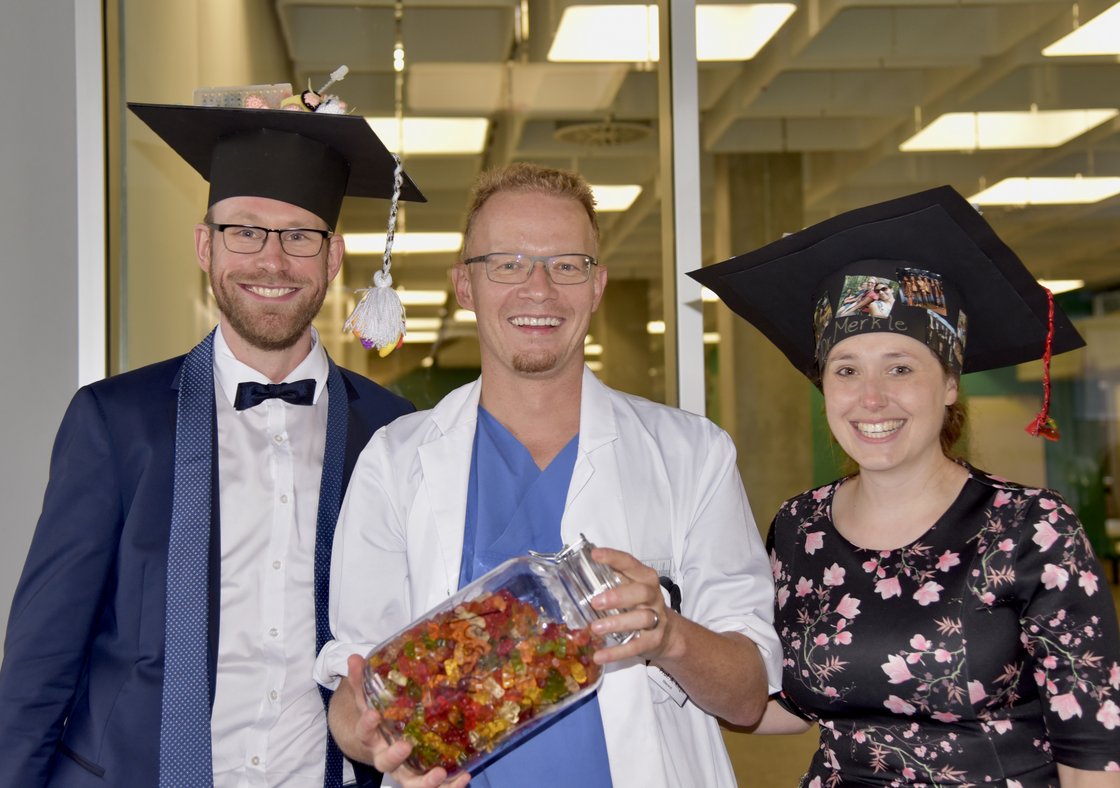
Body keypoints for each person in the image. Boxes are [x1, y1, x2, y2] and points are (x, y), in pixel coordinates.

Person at [0, 87, 424, 787]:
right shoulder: (115, 422)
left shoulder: (393, 431)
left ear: (334, 257)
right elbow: (41, 658)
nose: (271, 260)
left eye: (299, 236)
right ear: (205, 244)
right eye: (245, 232)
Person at [313, 162, 782, 787]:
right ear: (464, 285)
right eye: (507, 263)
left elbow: (748, 695)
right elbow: (356, 679)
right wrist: (370, 740)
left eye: (566, 265)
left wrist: (669, 635)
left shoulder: (692, 453)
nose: (539, 288)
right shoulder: (395, 460)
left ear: (597, 286)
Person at [692, 186, 1120, 785]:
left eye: (900, 367)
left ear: (949, 384)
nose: (872, 398)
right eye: (846, 370)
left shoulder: (1031, 529)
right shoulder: (800, 527)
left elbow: (1092, 752)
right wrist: (671, 649)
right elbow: (786, 706)